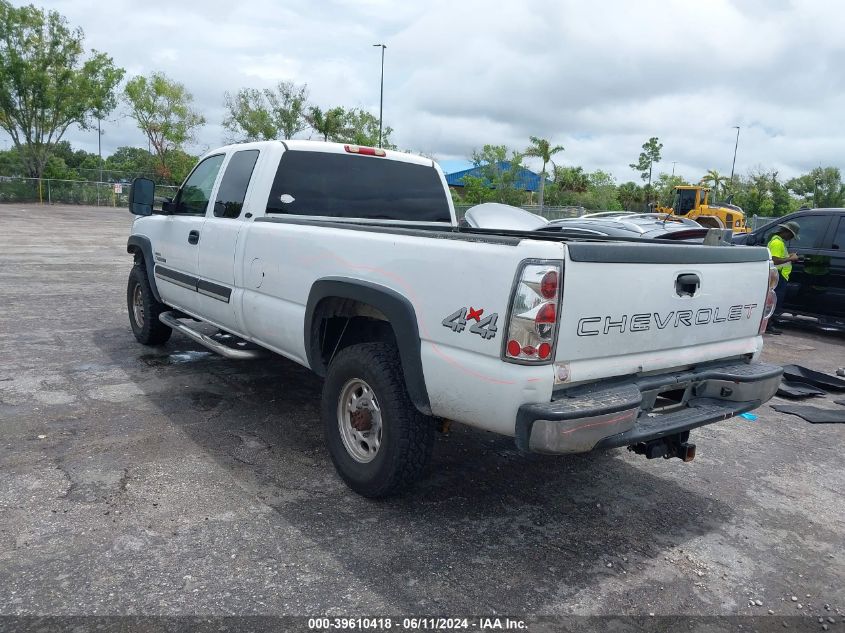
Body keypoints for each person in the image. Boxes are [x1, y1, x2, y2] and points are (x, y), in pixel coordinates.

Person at [765, 221, 800, 335]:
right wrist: (790, 259)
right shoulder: (777, 243)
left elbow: (778, 258)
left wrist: (788, 256)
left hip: (780, 275)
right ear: (786, 232)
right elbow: (774, 260)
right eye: (791, 235)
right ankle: (768, 325)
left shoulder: (779, 242)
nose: (790, 238)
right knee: (774, 301)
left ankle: (770, 324)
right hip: (777, 276)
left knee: (775, 301)